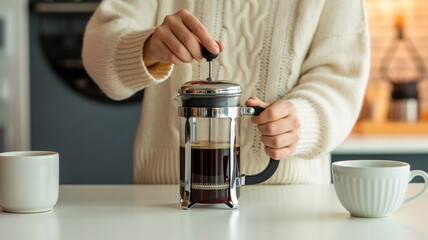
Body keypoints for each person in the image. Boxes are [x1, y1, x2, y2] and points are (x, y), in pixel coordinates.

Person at [82, 0, 370, 184]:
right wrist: (147, 47)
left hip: (290, 199)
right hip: (166, 196)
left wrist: (302, 121)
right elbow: (98, 50)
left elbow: (339, 80)